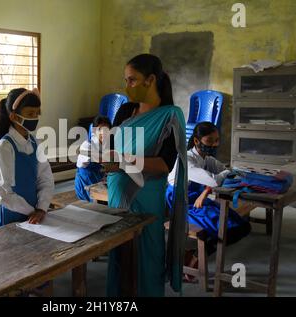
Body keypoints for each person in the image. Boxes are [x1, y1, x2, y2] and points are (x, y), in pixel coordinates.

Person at [106, 54, 188, 297]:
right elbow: (112, 147)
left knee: (147, 254)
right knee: (118, 253)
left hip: (145, 195)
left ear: (150, 80)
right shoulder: (125, 111)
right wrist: (103, 156)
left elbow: (165, 164)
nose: (127, 86)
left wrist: (126, 160)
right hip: (117, 194)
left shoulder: (170, 116)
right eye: (126, 80)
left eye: (133, 80)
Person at [167, 122, 251, 274]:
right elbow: (215, 180)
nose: (214, 144)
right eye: (210, 141)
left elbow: (224, 172)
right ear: (197, 141)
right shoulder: (186, 160)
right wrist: (223, 176)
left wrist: (207, 189)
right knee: (229, 229)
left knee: (243, 226)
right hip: (183, 203)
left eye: (217, 140)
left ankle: (196, 254)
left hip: (198, 200)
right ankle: (195, 257)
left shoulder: (206, 158)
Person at [0, 88, 54, 227]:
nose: (35, 118)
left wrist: (42, 208)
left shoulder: (35, 143)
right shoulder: (4, 148)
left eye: (37, 113)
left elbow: (46, 178)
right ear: (14, 117)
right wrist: (32, 211)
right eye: (30, 114)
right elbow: (4, 193)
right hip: (13, 215)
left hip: (36, 215)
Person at [74, 115, 112, 202]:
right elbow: (98, 159)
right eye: (100, 129)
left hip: (98, 182)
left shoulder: (107, 146)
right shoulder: (87, 145)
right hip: (85, 185)